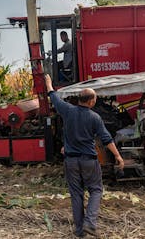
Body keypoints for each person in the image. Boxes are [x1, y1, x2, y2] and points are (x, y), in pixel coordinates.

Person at [45, 74, 124, 237]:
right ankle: (90, 223)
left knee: (76, 194)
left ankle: (80, 231)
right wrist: (118, 156)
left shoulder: (67, 110)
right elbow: (106, 138)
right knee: (96, 190)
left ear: (79, 99)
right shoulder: (95, 117)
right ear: (91, 102)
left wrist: (49, 85)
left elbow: (54, 98)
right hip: (88, 161)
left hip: (70, 161)